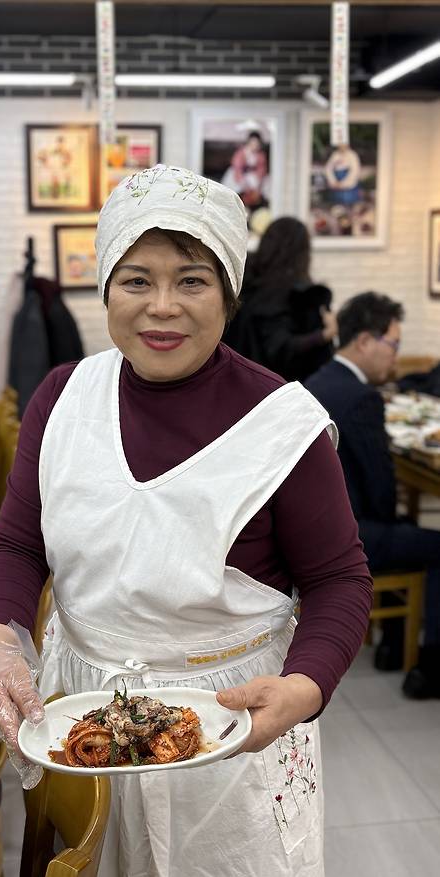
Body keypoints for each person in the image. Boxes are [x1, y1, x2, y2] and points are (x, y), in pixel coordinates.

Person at [0, 164, 371, 876]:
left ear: (228, 293)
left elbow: (339, 579)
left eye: (192, 280)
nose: (162, 307)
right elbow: (18, 544)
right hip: (84, 711)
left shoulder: (284, 426)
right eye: (136, 280)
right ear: (105, 288)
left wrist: (304, 686)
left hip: (230, 725)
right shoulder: (63, 398)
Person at [305, 292, 440, 697]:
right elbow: (381, 488)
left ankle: (392, 647)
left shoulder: (317, 380)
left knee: (406, 528)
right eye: (393, 345)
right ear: (364, 341)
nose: (395, 357)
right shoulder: (361, 397)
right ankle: (429, 667)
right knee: (429, 542)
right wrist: (393, 524)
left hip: (315, 526)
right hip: (350, 534)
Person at [224, 217, 338, 381]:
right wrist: (325, 334)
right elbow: (280, 347)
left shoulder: (240, 283)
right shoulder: (297, 296)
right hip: (277, 386)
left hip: (236, 377)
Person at [221, 130, 269, 211]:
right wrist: (242, 181)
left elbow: (261, 169)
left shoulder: (260, 155)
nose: (254, 145)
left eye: (257, 143)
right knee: (236, 191)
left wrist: (257, 180)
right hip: (240, 176)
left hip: (253, 177)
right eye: (252, 142)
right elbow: (237, 168)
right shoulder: (241, 152)